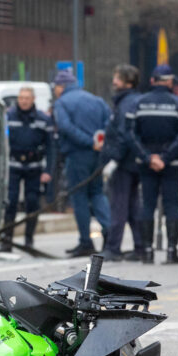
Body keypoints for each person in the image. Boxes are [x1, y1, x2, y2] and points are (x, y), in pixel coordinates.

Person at [128, 64, 178, 264]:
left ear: (152, 81)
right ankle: (172, 251)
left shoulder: (138, 103)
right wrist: (166, 158)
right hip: (172, 165)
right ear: (170, 82)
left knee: (147, 205)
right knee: (172, 205)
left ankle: (147, 251)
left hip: (146, 164)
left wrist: (149, 158)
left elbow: (130, 134)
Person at [52, 69, 111, 258]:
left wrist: (88, 142)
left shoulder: (62, 103)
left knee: (79, 198)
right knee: (97, 192)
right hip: (97, 155)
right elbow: (109, 123)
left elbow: (65, 127)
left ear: (61, 87)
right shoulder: (97, 100)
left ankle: (86, 241)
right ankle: (109, 233)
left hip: (77, 155)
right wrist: (99, 142)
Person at [3, 86, 53, 251]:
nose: (23, 101)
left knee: (32, 203)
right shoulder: (8, 117)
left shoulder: (42, 119)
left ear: (33, 100)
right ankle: (7, 240)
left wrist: (48, 171)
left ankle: (29, 240)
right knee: (10, 202)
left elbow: (52, 147)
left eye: (27, 98)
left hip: (34, 167)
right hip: (13, 166)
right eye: (21, 97)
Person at [101, 64, 142, 262]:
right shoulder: (130, 101)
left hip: (124, 163)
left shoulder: (126, 103)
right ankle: (141, 246)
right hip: (131, 162)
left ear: (127, 82)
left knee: (119, 205)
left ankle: (113, 248)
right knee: (134, 206)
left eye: (117, 78)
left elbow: (125, 135)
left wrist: (115, 159)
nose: (114, 82)